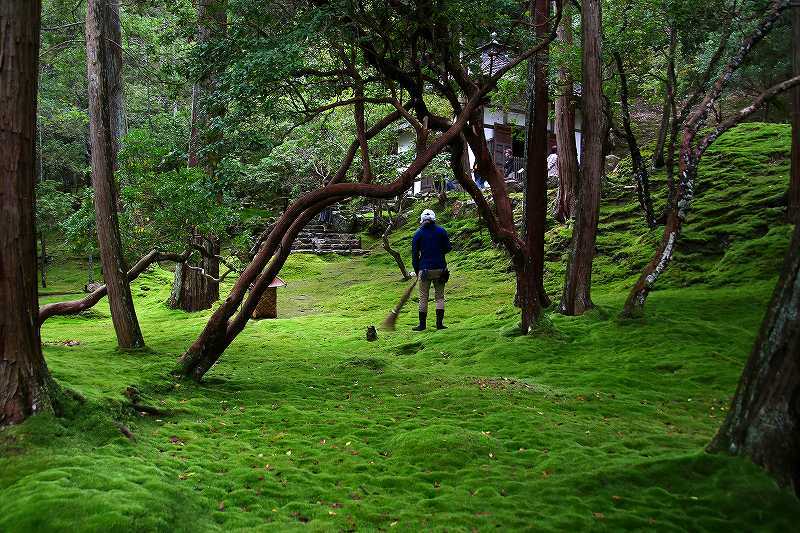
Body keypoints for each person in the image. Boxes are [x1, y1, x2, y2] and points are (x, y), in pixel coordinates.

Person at [411, 209, 451, 331]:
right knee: (439, 297)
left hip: (425, 269)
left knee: (423, 297)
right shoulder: (441, 231)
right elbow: (448, 248)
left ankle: (422, 325)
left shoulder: (418, 233)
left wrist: (417, 270)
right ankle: (439, 324)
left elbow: (414, 255)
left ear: (422, 219)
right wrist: (439, 252)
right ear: (434, 218)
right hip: (440, 269)